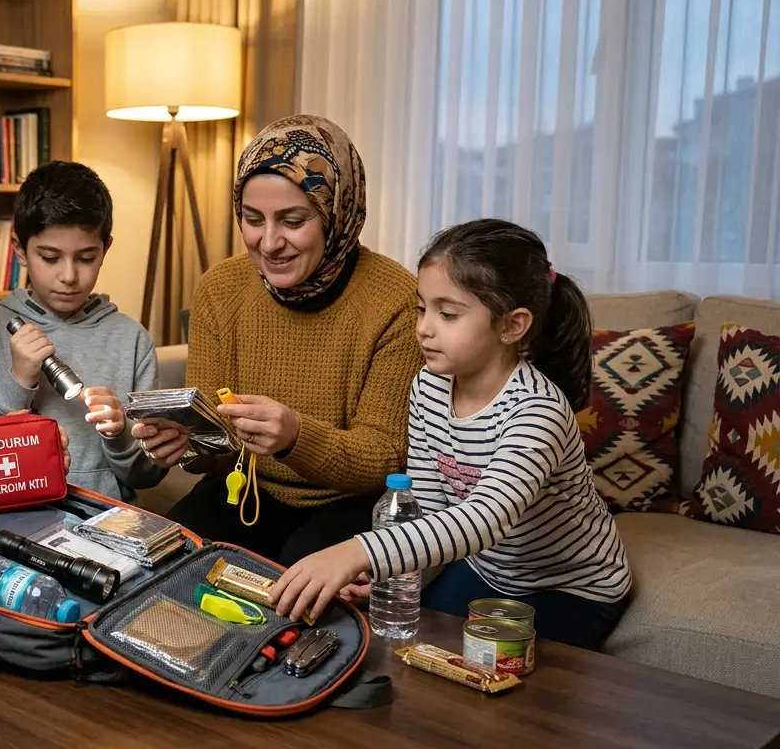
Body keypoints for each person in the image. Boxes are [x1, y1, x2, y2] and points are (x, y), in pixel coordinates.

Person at [268, 218, 632, 649]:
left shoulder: (537, 410)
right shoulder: (428, 385)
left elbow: (484, 519)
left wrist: (356, 551)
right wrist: (392, 573)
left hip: (569, 589)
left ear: (512, 326)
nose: (424, 327)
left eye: (448, 314)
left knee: (481, 663)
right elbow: (428, 506)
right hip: (485, 569)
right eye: (422, 308)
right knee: (402, 643)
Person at [132, 115, 422, 567]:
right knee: (168, 562)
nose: (268, 243)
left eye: (292, 220)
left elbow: (385, 457)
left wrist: (296, 437)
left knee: (299, 576)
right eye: (253, 219)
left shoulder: (395, 299)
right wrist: (187, 444)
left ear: (335, 214)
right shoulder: (220, 288)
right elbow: (215, 441)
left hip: (350, 502)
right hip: (248, 488)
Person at [0, 161, 166, 502]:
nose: (68, 276)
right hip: (12, 513)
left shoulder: (131, 339)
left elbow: (148, 474)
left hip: (105, 516)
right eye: (50, 258)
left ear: (106, 249)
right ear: (20, 250)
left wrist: (121, 434)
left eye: (86, 258)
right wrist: (17, 382)